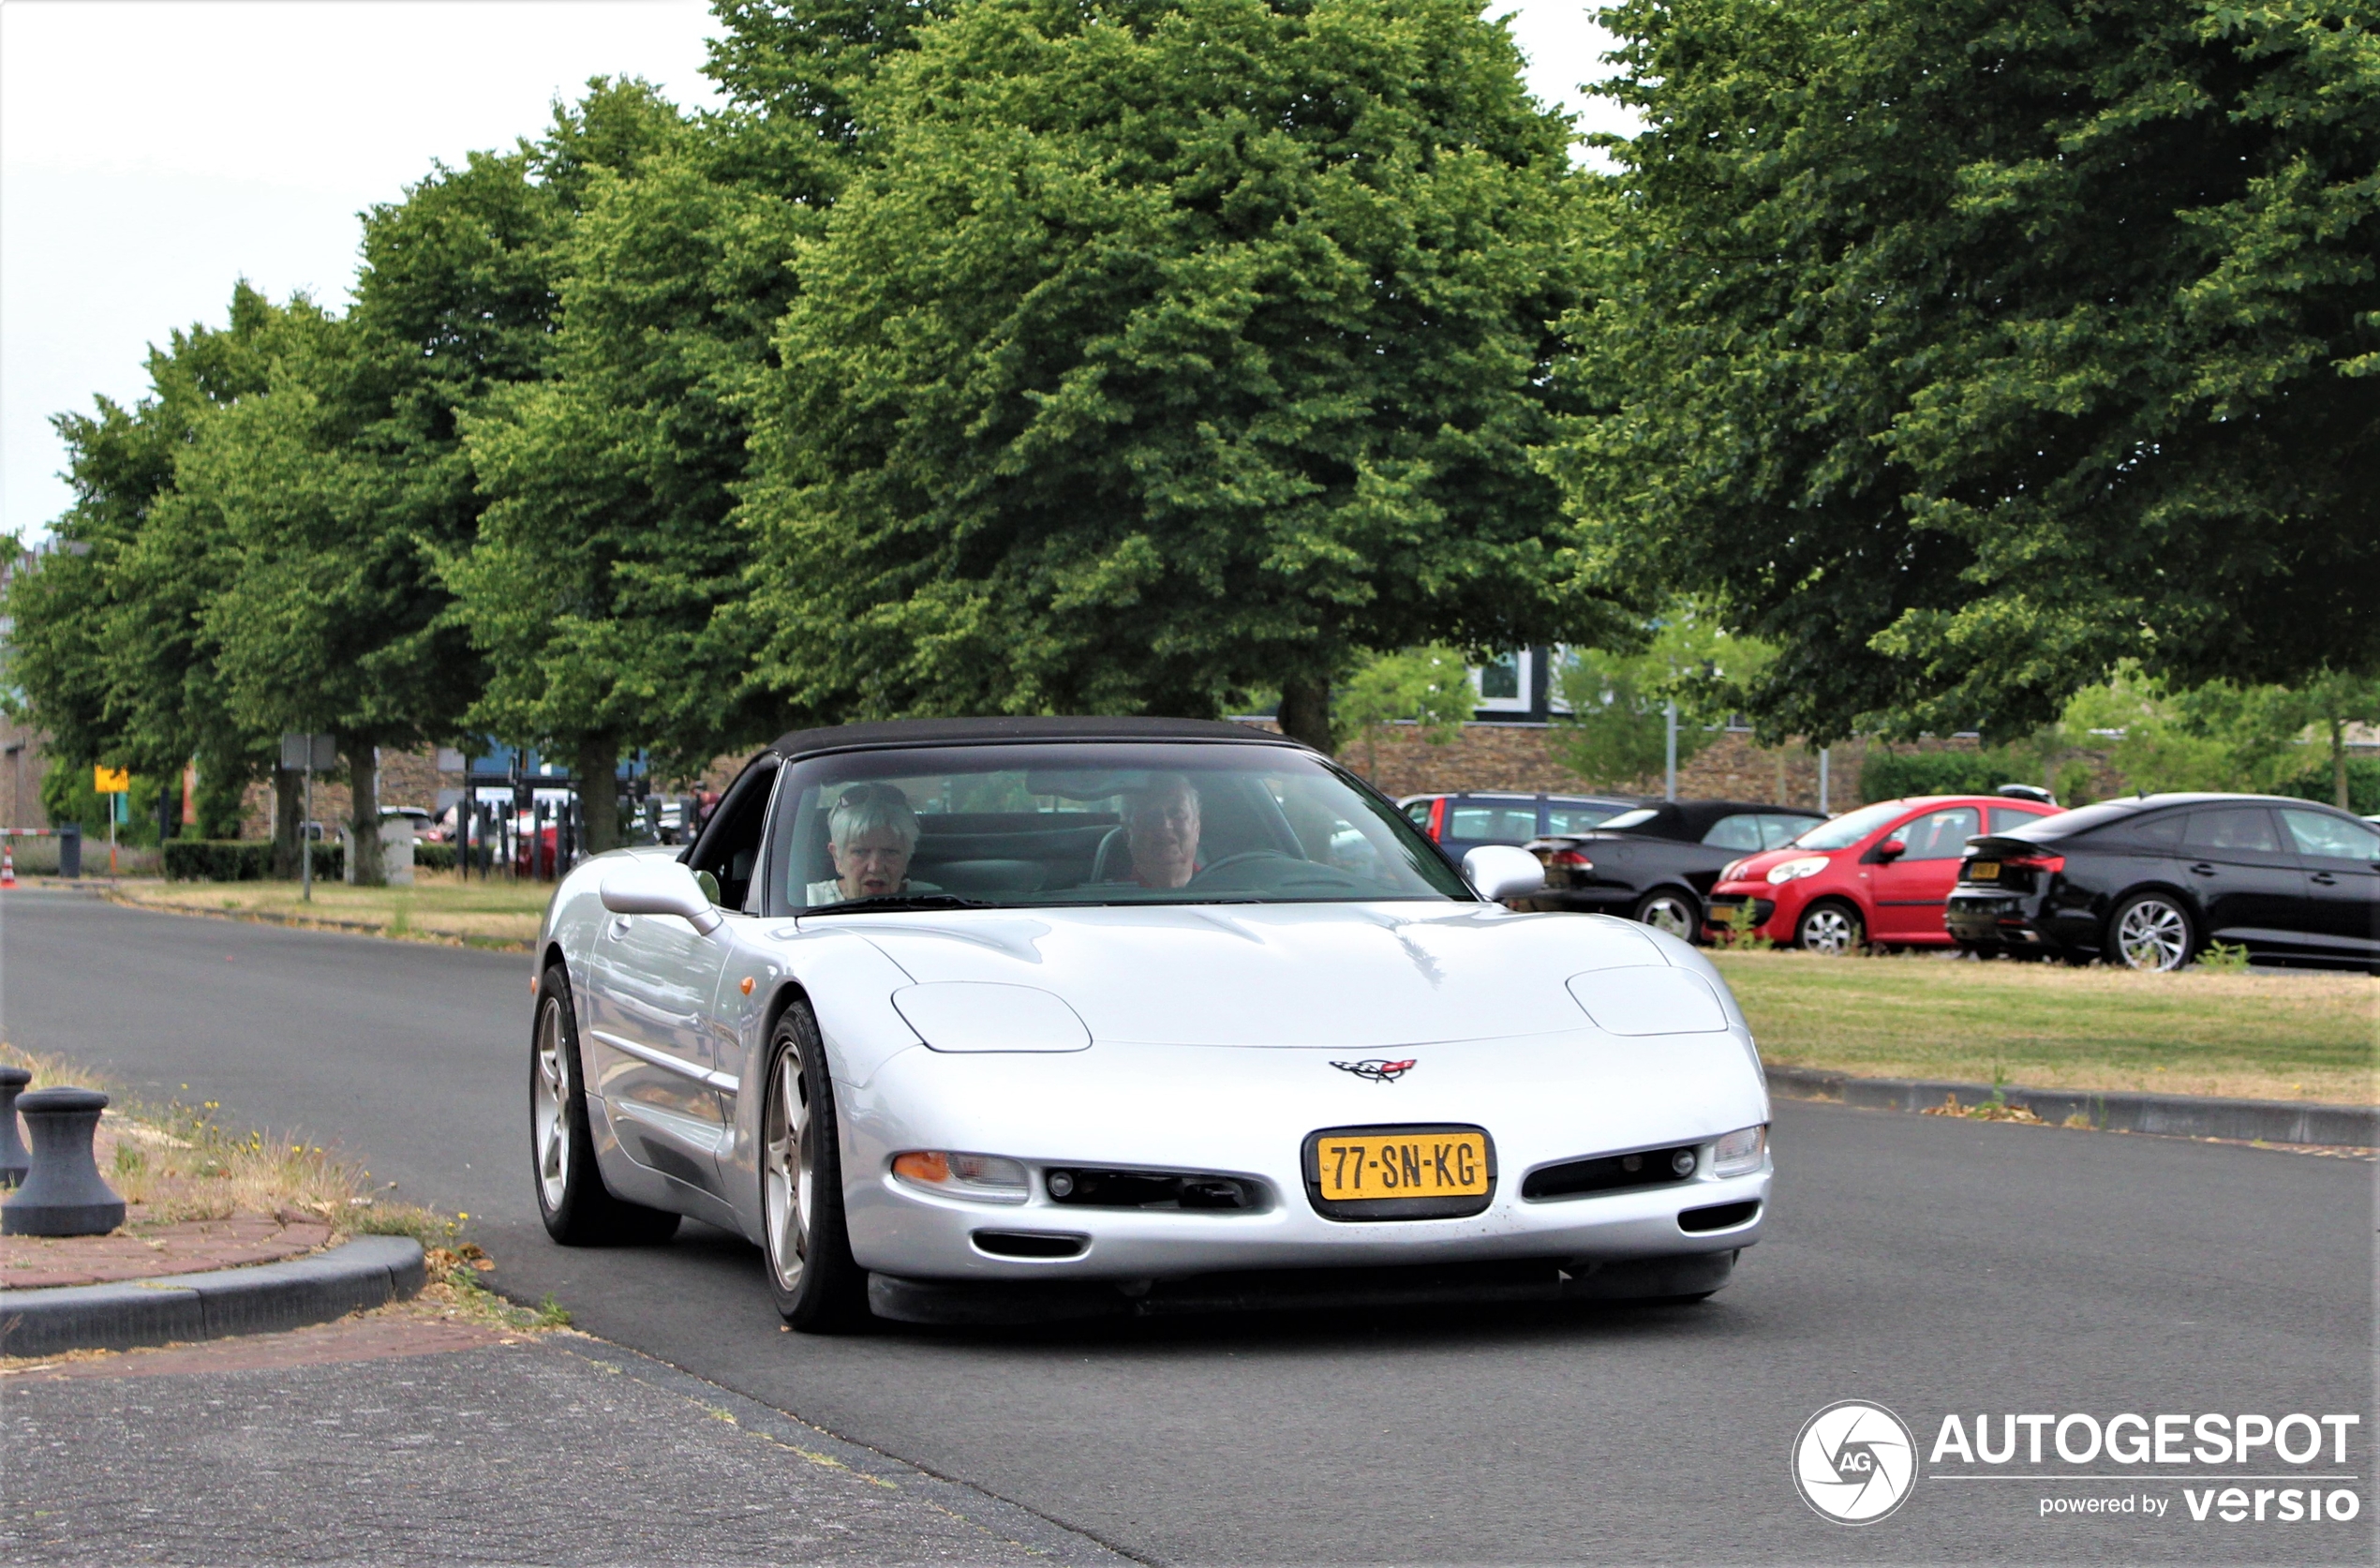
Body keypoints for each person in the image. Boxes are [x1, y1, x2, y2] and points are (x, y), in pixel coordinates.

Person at [805, 784, 934, 904]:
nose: (875, 867)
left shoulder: (931, 900)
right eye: (860, 852)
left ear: (906, 857)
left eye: (890, 852)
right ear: (837, 857)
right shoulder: (810, 901)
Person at [1123, 774, 1202, 889]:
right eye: (1150, 816)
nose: (1165, 825)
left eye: (1177, 813)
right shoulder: (1108, 899)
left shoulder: (1222, 892)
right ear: (1128, 833)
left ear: (1197, 827)